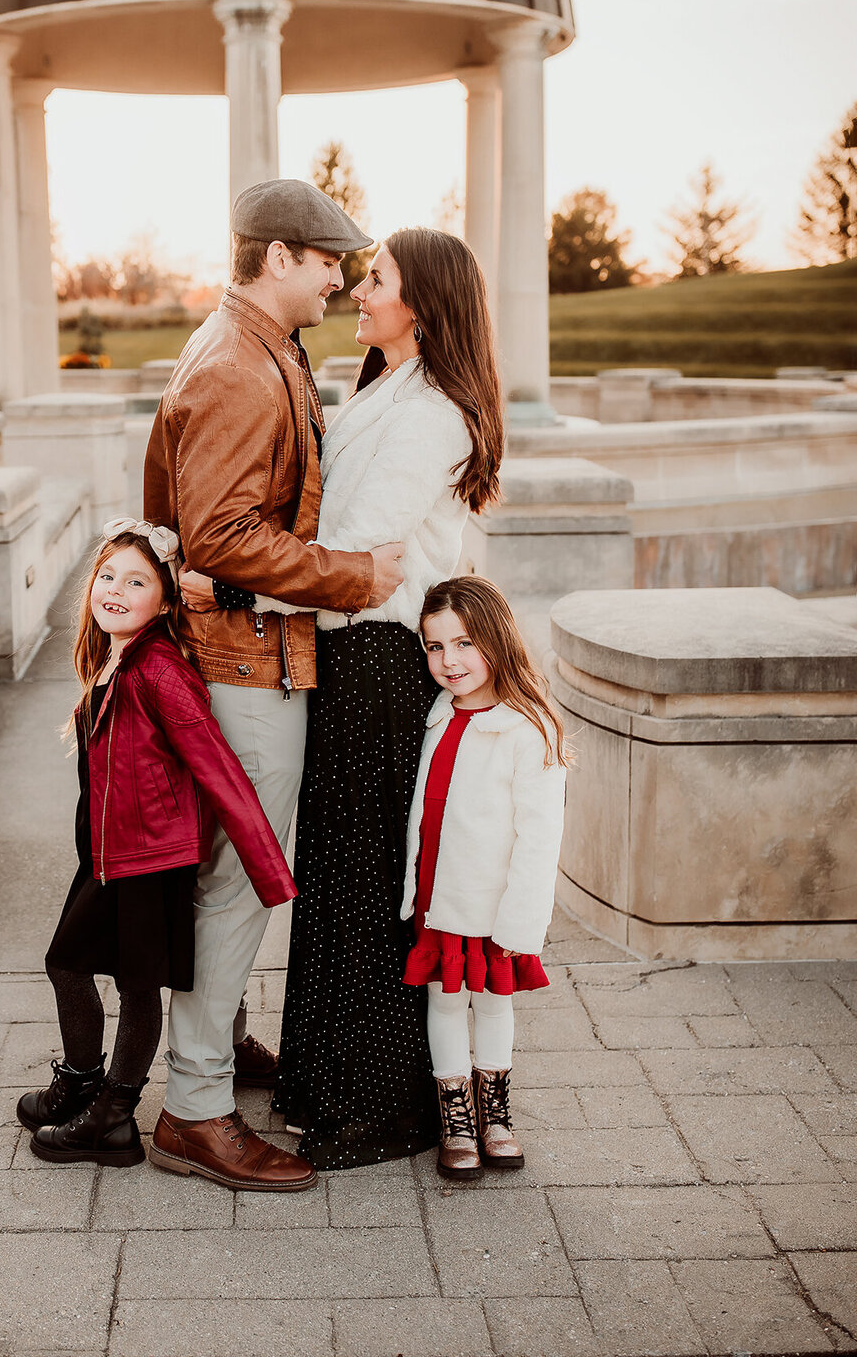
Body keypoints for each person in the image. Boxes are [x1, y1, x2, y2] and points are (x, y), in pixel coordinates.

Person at [182, 226, 505, 1168]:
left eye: (377, 281)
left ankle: (372, 1107)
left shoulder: (436, 412)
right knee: (337, 880)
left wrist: (228, 584)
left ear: (424, 304)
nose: (360, 294)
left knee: (368, 888)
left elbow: (355, 553)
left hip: (380, 670)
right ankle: (325, 1082)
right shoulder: (382, 388)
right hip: (345, 660)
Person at [143, 178, 406, 1193]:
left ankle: (221, 1046)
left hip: (256, 654)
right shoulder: (238, 369)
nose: (339, 279)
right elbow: (217, 534)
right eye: (328, 260)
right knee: (239, 880)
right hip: (244, 665)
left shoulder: (263, 350)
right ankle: (197, 1110)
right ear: (277, 257)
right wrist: (354, 577)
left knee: (237, 872)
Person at [15, 518, 297, 1170]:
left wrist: (269, 872)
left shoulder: (163, 673)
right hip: (107, 856)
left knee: (136, 988)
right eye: (107, 575)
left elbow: (219, 771)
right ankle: (82, 1084)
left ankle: (112, 1118)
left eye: (136, 581)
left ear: (166, 600)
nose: (115, 588)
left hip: (149, 862)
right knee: (69, 964)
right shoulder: (114, 654)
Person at [404, 575, 567, 1182]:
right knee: (445, 1001)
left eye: (465, 643)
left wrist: (522, 921)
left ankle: (495, 1112)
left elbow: (539, 837)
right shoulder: (436, 716)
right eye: (435, 646)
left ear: (497, 639)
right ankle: (457, 1118)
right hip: (437, 897)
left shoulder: (529, 729)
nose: (450, 661)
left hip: (494, 903)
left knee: (494, 1003)